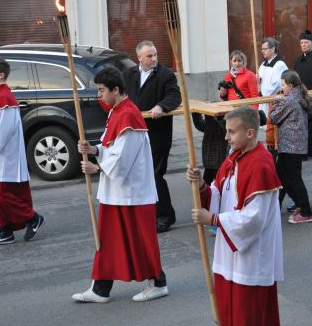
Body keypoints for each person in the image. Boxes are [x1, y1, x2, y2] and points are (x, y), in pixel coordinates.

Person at [72, 68, 167, 303]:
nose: (99, 95)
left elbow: (125, 157)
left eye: (102, 90)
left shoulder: (128, 115)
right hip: (118, 192)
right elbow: (112, 148)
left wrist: (98, 168)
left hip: (133, 193)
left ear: (115, 90)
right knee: (108, 240)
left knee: (142, 241)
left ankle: (158, 283)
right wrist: (94, 150)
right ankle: (100, 289)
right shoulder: (117, 112)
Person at [188, 107, 283, 326]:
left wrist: (212, 220)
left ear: (249, 133)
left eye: (231, 132)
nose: (226, 137)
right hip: (229, 253)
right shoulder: (234, 158)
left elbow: (254, 218)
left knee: (248, 316)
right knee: (230, 311)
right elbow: (220, 193)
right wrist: (201, 185)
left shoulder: (260, 164)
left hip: (250, 257)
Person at [0, 58, 44, 247]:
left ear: (1, 74)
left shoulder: (4, 98)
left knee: (1, 195)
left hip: (4, 155)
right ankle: (5, 231)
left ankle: (32, 218)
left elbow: (2, 134)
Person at [123, 41, 181, 233]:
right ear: (139, 57)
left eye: (155, 54)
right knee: (139, 176)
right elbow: (123, 97)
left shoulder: (165, 74)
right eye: (149, 56)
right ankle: (147, 213)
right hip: (135, 132)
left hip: (158, 135)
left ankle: (165, 216)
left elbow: (175, 96)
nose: (154, 58)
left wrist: (161, 106)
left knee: (155, 175)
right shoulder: (129, 74)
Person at [270, 70, 312, 224]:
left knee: (293, 179)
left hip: (290, 144)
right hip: (293, 144)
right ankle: (299, 205)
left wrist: (275, 102)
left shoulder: (289, 100)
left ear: (290, 85)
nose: (282, 88)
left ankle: (306, 211)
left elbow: (274, 118)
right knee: (282, 176)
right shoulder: (299, 95)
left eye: (283, 85)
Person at [192, 113, 228, 185]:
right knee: (208, 184)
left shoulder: (224, 125)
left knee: (219, 184)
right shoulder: (209, 126)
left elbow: (213, 124)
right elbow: (198, 124)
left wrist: (208, 114)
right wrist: (195, 113)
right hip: (209, 163)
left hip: (218, 163)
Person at [258, 37, 289, 118]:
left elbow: (275, 85)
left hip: (273, 101)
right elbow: (259, 80)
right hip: (263, 101)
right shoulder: (263, 64)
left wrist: (262, 93)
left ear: (273, 49)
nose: (262, 51)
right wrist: (257, 81)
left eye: (265, 49)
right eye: (262, 49)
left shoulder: (279, 65)